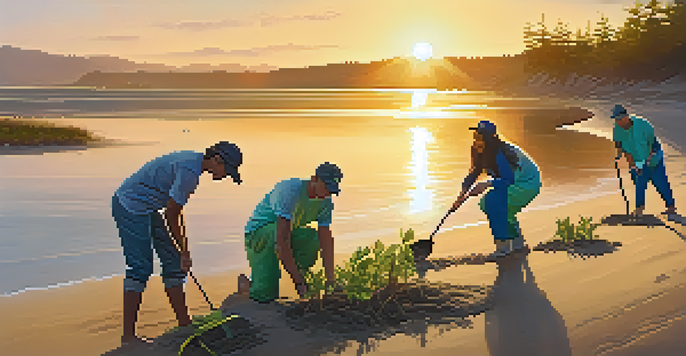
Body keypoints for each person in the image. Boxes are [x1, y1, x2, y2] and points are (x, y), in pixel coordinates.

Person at [111, 141, 243, 345]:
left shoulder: (195, 167)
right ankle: (128, 337)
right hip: (130, 204)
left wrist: (181, 252)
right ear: (217, 159)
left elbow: (176, 211)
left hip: (149, 207)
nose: (226, 175)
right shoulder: (189, 171)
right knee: (140, 268)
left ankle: (184, 323)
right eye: (227, 170)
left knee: (173, 262)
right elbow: (171, 214)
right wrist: (185, 251)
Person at [238, 162, 342, 303]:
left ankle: (303, 277)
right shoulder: (290, 191)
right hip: (258, 235)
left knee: (312, 238)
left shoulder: (326, 202)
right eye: (326, 187)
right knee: (265, 295)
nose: (327, 193)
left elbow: (326, 239)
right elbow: (282, 241)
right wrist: (297, 280)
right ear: (314, 179)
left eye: (331, 190)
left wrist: (331, 278)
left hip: (285, 233)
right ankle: (246, 285)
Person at [453, 120, 542, 262]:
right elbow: (474, 173)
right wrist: (460, 196)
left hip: (527, 183)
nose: (476, 140)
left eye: (480, 137)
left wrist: (486, 184)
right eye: (475, 136)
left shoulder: (500, 152)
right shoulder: (479, 150)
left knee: (492, 202)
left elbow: (508, 180)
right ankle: (518, 244)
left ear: (490, 139)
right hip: (515, 181)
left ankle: (504, 248)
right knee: (502, 208)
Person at [611, 104, 677, 217]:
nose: (619, 122)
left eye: (620, 119)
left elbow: (652, 146)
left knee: (660, 182)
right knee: (639, 182)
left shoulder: (643, 125)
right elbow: (623, 148)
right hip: (636, 158)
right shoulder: (617, 130)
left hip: (653, 155)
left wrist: (646, 163)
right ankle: (639, 209)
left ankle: (671, 207)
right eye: (616, 119)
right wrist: (632, 164)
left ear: (627, 116)